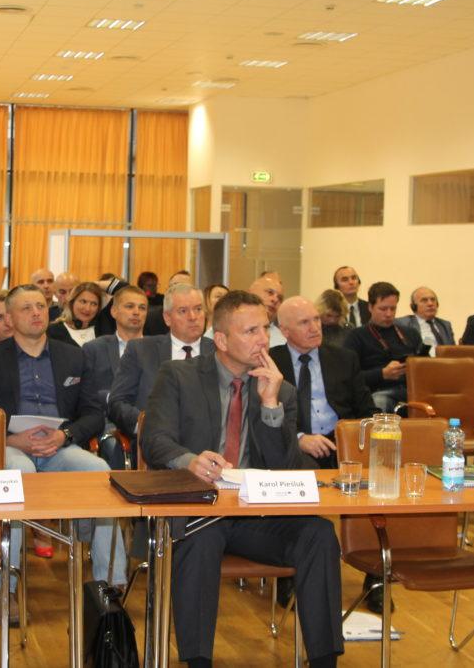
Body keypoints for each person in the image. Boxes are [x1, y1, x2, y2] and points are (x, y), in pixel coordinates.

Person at [141, 290, 342, 668]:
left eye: (265, 329)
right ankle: (198, 661)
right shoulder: (179, 376)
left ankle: (324, 660)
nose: (263, 340)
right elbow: (154, 439)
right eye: (251, 331)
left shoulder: (280, 389)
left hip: (256, 515)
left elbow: (286, 468)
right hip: (201, 510)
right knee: (201, 539)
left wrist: (270, 405)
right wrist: (189, 460)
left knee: (319, 534)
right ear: (221, 340)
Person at [0, 284, 124, 624]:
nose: (36, 313)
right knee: (17, 477)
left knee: (100, 473)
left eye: (40, 306)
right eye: (26, 308)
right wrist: (12, 439)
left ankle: (110, 585)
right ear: (9, 318)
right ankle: (0, 587)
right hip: (10, 448)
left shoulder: (73, 356)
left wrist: (65, 435)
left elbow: (93, 414)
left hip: (59, 448)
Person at [272, 296, 380, 611]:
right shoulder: (271, 362)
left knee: (377, 485)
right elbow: (263, 416)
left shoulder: (343, 358)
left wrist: (357, 436)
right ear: (285, 330)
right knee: (295, 474)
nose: (314, 327)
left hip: (344, 444)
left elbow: (366, 409)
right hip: (300, 445)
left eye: (316, 320)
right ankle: (289, 575)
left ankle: (376, 576)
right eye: (304, 322)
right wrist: (298, 438)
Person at [108, 283, 213, 441]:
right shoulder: (141, 350)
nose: (193, 317)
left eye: (198, 309)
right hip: (156, 441)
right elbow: (117, 402)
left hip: (209, 443)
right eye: (183, 311)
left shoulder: (219, 352)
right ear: (167, 318)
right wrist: (146, 425)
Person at [82, 285, 149, 468]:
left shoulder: (157, 349)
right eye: (129, 306)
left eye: (142, 308)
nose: (136, 312)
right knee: (114, 446)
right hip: (109, 423)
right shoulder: (94, 349)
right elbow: (86, 395)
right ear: (114, 311)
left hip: (149, 421)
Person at [342, 282, 430, 412]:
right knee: (380, 401)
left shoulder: (410, 333)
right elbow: (348, 378)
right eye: (383, 309)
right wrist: (382, 374)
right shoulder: (356, 336)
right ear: (370, 307)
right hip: (378, 391)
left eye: (393, 309)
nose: (389, 314)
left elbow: (427, 369)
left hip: (412, 390)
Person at [46, 281, 105, 348]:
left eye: (94, 304)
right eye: (83, 302)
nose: (87, 309)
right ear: (72, 303)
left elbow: (116, 291)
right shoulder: (53, 331)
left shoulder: (103, 328)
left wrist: (95, 284)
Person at [248, 275, 285, 347]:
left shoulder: (283, 343)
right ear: (251, 292)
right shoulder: (231, 327)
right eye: (270, 292)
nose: (275, 300)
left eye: (280, 298)